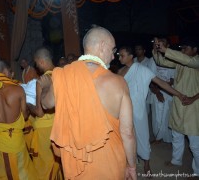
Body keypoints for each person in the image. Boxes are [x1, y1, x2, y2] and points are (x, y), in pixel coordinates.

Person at [38, 26, 137, 179]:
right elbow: (127, 133)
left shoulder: (63, 76)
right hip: (111, 164)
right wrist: (131, 165)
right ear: (102, 46)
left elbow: (45, 104)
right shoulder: (118, 83)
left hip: (78, 166)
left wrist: (44, 87)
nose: (113, 57)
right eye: (112, 51)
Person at [117, 46, 184, 174]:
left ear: (131, 56)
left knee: (143, 136)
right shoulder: (120, 72)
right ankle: (132, 160)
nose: (119, 58)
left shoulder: (142, 70)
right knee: (127, 136)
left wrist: (178, 94)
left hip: (139, 111)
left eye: (122, 55)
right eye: (119, 55)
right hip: (124, 110)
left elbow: (161, 83)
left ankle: (147, 164)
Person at [0, 59, 37, 180]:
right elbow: (25, 116)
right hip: (16, 140)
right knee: (22, 171)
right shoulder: (18, 89)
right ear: (6, 70)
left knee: (2, 173)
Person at [153, 37, 199, 176]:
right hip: (179, 103)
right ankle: (176, 160)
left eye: (186, 48)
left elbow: (188, 61)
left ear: (195, 50)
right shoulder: (181, 62)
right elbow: (162, 61)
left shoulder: (196, 61)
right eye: (182, 48)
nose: (183, 51)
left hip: (194, 106)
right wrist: (156, 49)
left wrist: (166, 49)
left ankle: (197, 172)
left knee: (194, 143)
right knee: (176, 135)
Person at [28, 47, 63, 180]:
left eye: (36, 63)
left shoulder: (42, 81)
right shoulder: (63, 74)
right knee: (57, 163)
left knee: (43, 167)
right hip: (59, 125)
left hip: (45, 129)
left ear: (41, 61)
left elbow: (40, 112)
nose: (36, 66)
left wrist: (28, 104)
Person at [149, 38, 175, 144]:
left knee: (166, 115)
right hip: (156, 91)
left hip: (168, 91)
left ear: (167, 46)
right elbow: (150, 78)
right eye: (158, 44)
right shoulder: (152, 60)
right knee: (156, 115)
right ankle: (158, 137)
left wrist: (163, 89)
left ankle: (165, 138)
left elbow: (173, 79)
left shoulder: (173, 60)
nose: (160, 46)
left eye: (163, 44)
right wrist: (157, 91)